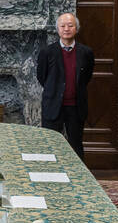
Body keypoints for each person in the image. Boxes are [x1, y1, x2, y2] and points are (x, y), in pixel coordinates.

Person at [37, 12, 94, 159]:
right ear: (57, 29)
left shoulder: (86, 52)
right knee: (49, 144)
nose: (66, 29)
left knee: (75, 144)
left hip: (76, 106)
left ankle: (78, 178)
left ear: (76, 29)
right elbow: (42, 77)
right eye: (62, 26)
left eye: (70, 25)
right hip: (53, 105)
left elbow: (86, 77)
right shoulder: (47, 52)